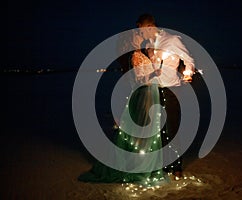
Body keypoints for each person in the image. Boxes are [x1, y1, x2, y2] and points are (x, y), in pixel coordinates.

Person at [78, 30, 166, 186]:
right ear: (144, 47)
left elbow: (152, 78)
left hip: (150, 98)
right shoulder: (137, 57)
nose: (154, 51)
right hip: (142, 98)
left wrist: (156, 69)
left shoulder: (148, 59)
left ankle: (144, 165)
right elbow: (139, 79)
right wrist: (154, 74)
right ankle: (135, 165)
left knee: (147, 133)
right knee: (139, 132)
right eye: (152, 48)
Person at [135, 13, 195, 178]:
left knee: (172, 129)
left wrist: (188, 73)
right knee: (160, 130)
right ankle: (165, 164)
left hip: (172, 90)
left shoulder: (172, 39)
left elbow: (189, 59)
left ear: (148, 26)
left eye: (141, 31)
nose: (140, 34)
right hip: (156, 90)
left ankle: (177, 167)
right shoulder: (150, 43)